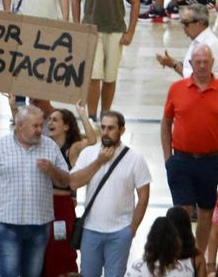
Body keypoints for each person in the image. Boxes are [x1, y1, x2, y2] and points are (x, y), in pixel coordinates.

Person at [160, 46, 218, 260]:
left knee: (206, 211)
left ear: (212, 62)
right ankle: (181, 255)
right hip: (181, 160)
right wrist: (168, 158)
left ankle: (198, 256)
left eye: (206, 61)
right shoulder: (177, 88)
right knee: (182, 211)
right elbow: (166, 123)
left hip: (210, 160)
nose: (203, 65)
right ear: (191, 63)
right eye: (198, 62)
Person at [0, 105, 69, 277]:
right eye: (35, 126)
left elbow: (65, 181)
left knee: (33, 274)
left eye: (41, 125)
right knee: (9, 272)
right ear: (20, 126)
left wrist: (51, 170)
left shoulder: (50, 147)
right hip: (7, 224)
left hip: (39, 225)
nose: (40, 130)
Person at [58, 110, 152, 277]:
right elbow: (73, 182)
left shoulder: (135, 158)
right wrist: (98, 162)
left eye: (111, 128)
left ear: (122, 130)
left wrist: (132, 228)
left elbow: (143, 197)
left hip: (120, 232)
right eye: (103, 128)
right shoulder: (89, 153)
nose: (106, 132)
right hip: (91, 230)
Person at [72, 0, 140, 121]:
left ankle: (105, 114)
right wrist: (77, 27)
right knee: (94, 77)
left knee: (110, 76)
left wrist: (131, 31)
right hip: (91, 30)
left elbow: (135, 1)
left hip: (116, 29)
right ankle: (92, 116)